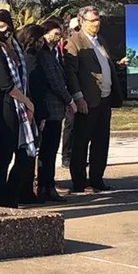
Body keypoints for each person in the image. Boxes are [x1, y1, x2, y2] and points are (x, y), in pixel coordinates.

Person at [64, 6, 128, 192]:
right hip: (87, 101)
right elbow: (70, 73)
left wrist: (118, 65)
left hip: (104, 99)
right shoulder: (74, 42)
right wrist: (78, 97)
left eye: (98, 19)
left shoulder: (101, 40)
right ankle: (79, 182)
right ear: (82, 21)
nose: (96, 23)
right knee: (81, 142)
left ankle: (97, 179)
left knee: (101, 142)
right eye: (92, 20)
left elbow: (104, 65)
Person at [0, 9, 37, 207]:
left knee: (25, 155)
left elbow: (23, 79)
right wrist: (27, 102)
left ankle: (10, 194)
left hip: (21, 107)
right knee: (3, 155)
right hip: (5, 106)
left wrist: (28, 103)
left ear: (10, 26)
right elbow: (6, 85)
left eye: (2, 27)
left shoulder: (16, 48)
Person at [31, 19, 77, 202]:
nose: (59, 37)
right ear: (45, 33)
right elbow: (55, 81)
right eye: (55, 34)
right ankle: (44, 186)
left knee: (51, 150)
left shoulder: (54, 53)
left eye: (60, 34)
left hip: (56, 110)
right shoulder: (43, 54)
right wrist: (69, 100)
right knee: (47, 150)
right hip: (49, 109)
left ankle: (48, 185)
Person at [60, 16, 81, 169]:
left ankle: (76, 155)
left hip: (80, 89)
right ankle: (66, 156)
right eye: (76, 29)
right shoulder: (67, 44)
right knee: (70, 124)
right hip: (67, 91)